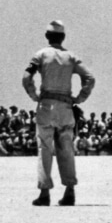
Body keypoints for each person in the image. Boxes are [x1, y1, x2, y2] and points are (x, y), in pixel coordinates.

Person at [23, 21, 95, 206]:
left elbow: (26, 77)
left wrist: (34, 96)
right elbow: (89, 78)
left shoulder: (40, 55)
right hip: (65, 106)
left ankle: (44, 193)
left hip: (46, 105)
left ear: (47, 36)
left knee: (44, 149)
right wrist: (79, 98)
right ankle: (69, 191)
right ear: (63, 37)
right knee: (66, 150)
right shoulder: (70, 56)